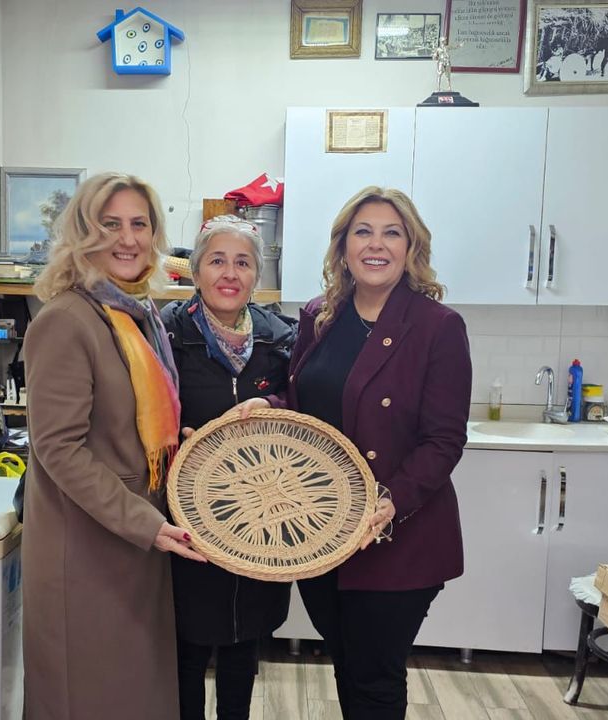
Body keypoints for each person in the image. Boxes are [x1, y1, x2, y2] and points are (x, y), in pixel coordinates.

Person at [237, 187, 472, 719]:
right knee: (347, 662)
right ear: (344, 247)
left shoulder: (437, 327)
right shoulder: (321, 315)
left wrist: (390, 502)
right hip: (324, 529)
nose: (376, 244)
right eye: (363, 232)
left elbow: (444, 440)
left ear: (411, 246)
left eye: (392, 233)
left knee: (374, 676)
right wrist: (268, 405)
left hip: (395, 534)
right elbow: (303, 402)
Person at [22, 171, 205, 720]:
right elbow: (58, 448)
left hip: (134, 543)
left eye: (139, 225)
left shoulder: (135, 315)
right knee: (89, 698)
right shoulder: (66, 320)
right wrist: (145, 523)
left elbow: (136, 427)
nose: (127, 239)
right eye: (110, 224)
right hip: (86, 552)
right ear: (84, 233)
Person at [161, 214, 297, 720]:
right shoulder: (168, 334)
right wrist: (173, 439)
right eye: (217, 260)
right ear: (196, 270)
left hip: (261, 515)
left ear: (256, 275)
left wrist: (274, 405)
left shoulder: (280, 337)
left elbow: (304, 406)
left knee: (245, 642)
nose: (230, 273)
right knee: (189, 647)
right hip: (189, 515)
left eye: (243, 263)